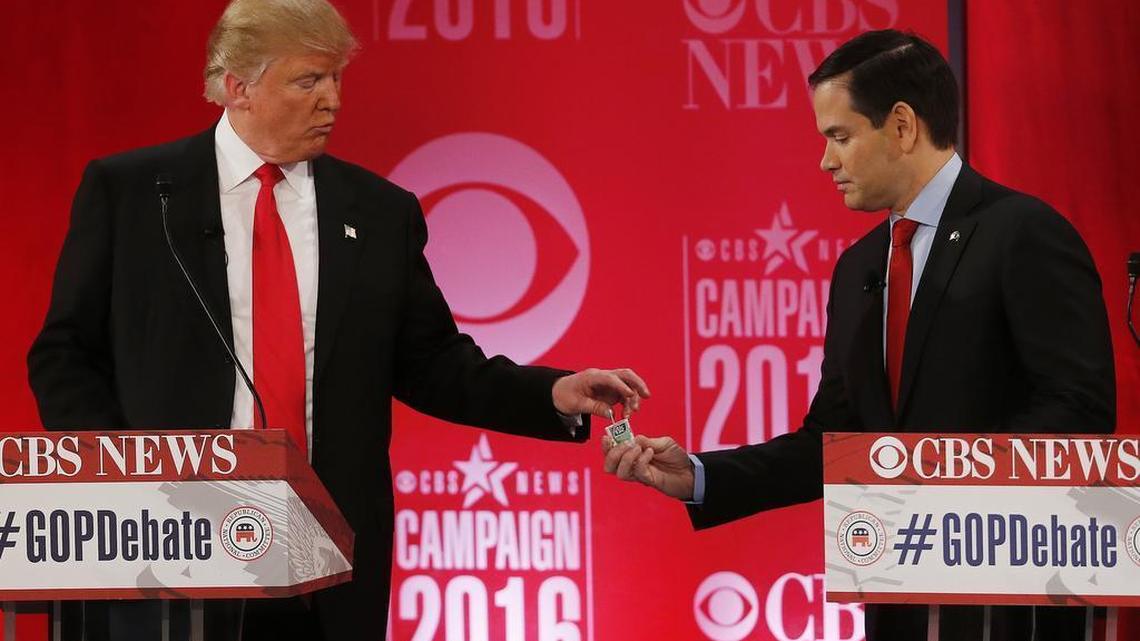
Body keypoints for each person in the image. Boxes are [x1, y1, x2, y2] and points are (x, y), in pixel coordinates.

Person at [27, 0, 649, 639]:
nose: (333, 101)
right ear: (239, 87)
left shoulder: (379, 213)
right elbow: (65, 353)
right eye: (308, 81)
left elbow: (433, 364)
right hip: (171, 549)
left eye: (336, 79)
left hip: (323, 556)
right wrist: (128, 485)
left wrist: (551, 393)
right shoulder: (132, 193)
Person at [602, 29, 1114, 641]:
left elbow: (1078, 408)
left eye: (840, 137)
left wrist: (929, 485)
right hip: (897, 598)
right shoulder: (859, 267)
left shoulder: (1023, 232)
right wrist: (701, 476)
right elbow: (836, 440)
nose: (825, 161)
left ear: (901, 126)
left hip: (1007, 603)